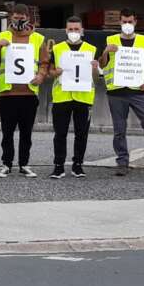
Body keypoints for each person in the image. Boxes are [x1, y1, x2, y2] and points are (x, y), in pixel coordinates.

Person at [98, 8, 144, 176]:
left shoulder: (143, 41)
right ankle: (122, 162)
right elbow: (102, 65)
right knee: (119, 130)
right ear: (119, 22)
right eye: (124, 21)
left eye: (129, 21)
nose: (127, 25)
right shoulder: (110, 40)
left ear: (135, 22)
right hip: (116, 92)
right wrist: (105, 52)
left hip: (139, 91)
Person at [0, 4, 47, 178]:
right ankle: (6, 163)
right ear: (10, 18)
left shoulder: (38, 38)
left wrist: (41, 76)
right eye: (15, 17)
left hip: (29, 93)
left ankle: (24, 164)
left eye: (22, 17)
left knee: (26, 133)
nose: (18, 20)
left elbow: (45, 62)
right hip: (7, 93)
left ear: (29, 18)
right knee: (7, 133)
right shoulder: (2, 36)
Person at [47, 17, 97, 178]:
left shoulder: (91, 49)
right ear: (66, 31)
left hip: (83, 97)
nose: (74, 32)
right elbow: (50, 72)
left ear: (82, 31)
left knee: (81, 133)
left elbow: (96, 77)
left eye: (77, 29)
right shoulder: (57, 48)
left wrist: (95, 68)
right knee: (60, 133)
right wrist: (57, 72)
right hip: (62, 97)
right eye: (71, 29)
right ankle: (59, 165)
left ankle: (78, 165)